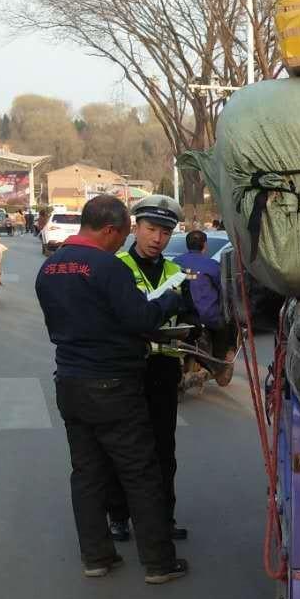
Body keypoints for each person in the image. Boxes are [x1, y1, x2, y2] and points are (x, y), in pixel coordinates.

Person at [34, 194, 192, 584]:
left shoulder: (49, 269)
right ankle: (158, 562)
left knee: (86, 473)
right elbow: (140, 319)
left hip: (69, 382)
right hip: (114, 384)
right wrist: (170, 300)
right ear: (109, 230)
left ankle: (96, 556)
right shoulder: (107, 268)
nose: (123, 242)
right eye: (123, 234)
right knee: (141, 472)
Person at [105, 195, 191, 544]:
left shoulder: (176, 272)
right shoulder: (116, 267)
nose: (157, 238)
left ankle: (161, 519)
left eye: (165, 232)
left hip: (164, 368)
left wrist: (191, 326)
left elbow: (186, 314)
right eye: (151, 229)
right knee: (125, 448)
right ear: (135, 228)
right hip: (127, 369)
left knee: (162, 450)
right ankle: (119, 516)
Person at [175, 229, 236, 386]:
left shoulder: (174, 262)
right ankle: (219, 365)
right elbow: (224, 290)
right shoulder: (212, 265)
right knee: (228, 326)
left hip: (181, 317)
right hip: (207, 318)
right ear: (205, 245)